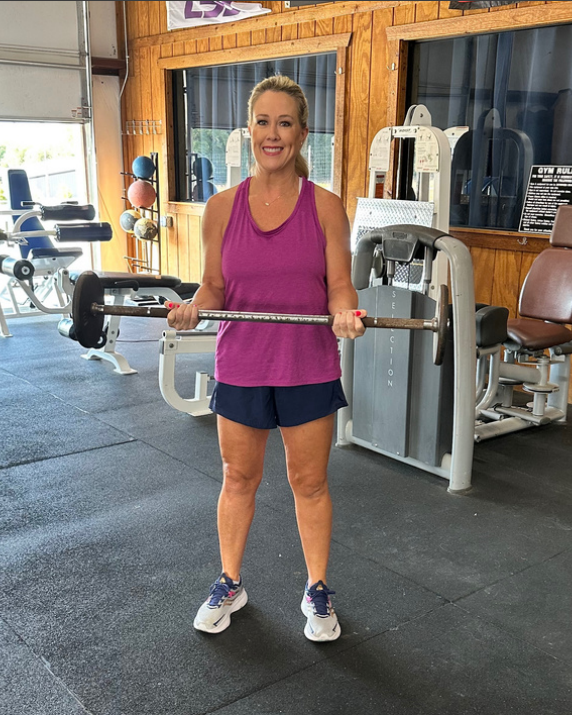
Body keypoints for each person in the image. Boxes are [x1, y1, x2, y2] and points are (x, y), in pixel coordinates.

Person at [166, 75, 365, 642]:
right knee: (237, 476)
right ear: (249, 129)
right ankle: (230, 581)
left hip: (308, 363)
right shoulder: (221, 207)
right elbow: (212, 289)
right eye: (263, 122)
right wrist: (192, 310)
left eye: (285, 123)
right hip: (244, 363)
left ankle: (317, 590)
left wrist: (346, 313)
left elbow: (340, 286)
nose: (272, 134)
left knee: (310, 481)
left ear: (303, 134)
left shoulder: (325, 207)